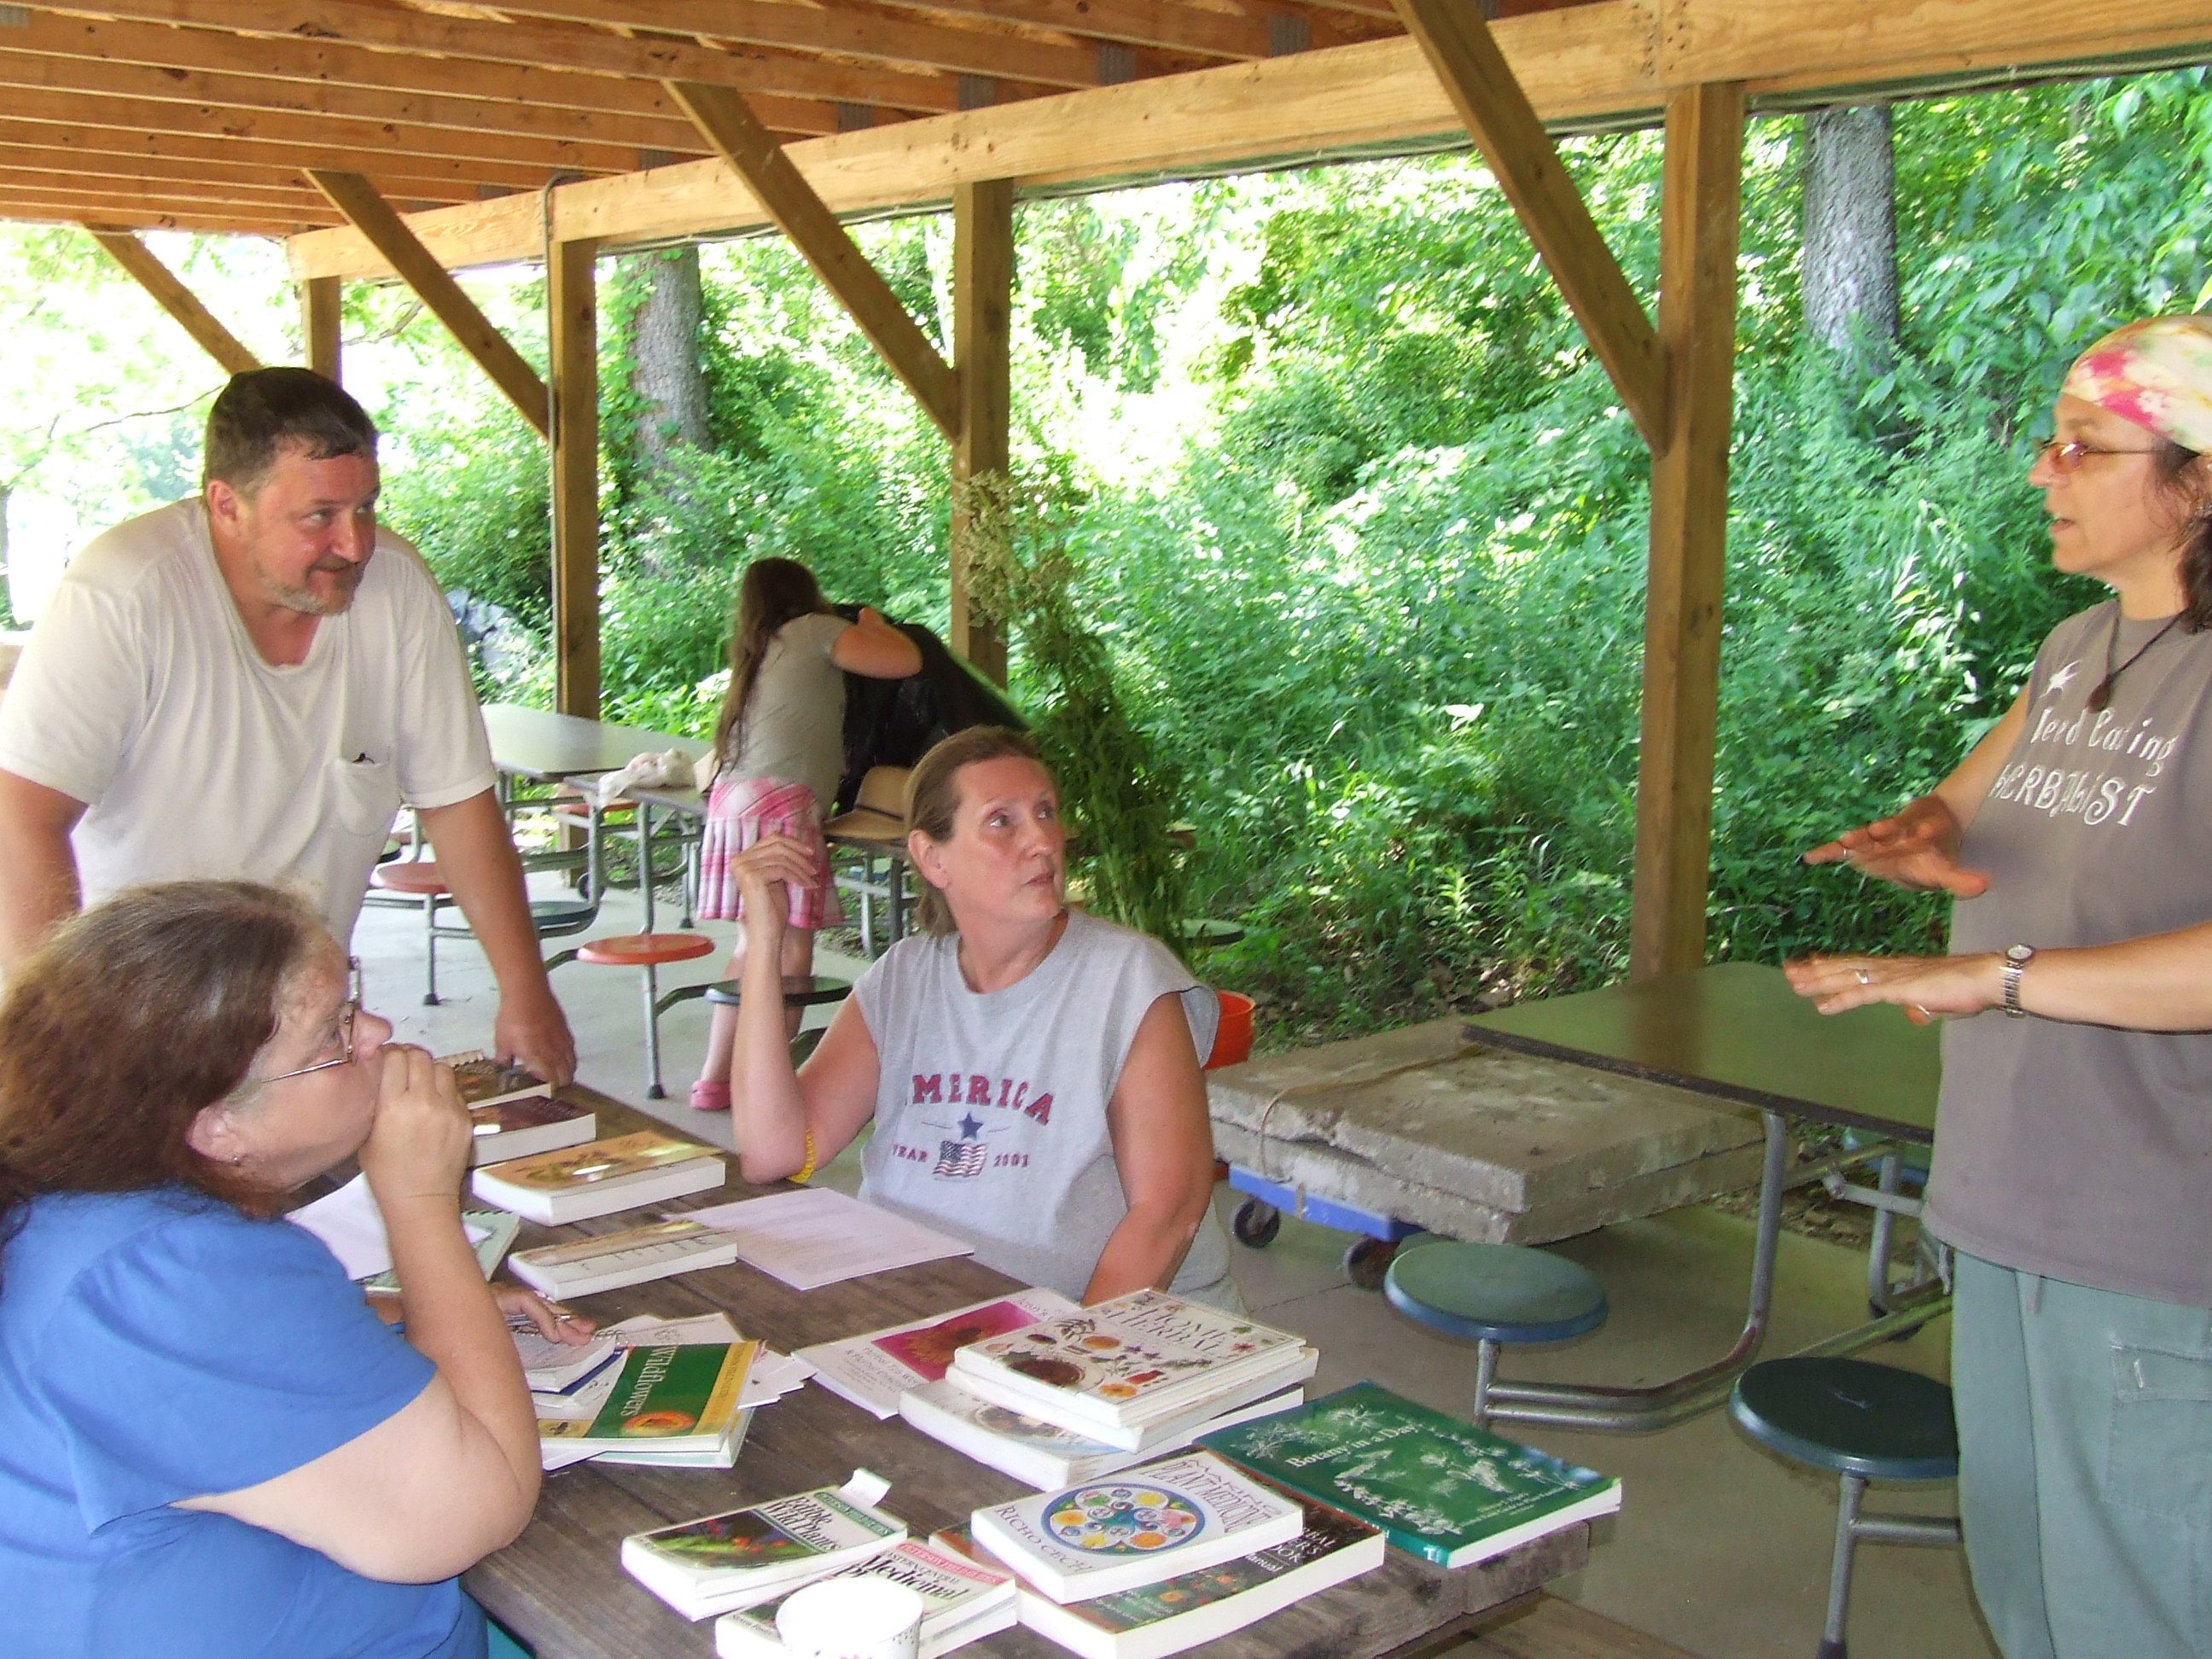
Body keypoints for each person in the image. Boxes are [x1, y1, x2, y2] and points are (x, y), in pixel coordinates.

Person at [1796, 314, 2212, 1659]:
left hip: (2157, 1246)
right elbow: (1968, 820)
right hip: (2010, 1202)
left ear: (2198, 481)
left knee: (2140, 1619)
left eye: (2085, 449)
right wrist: (1920, 837)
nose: (2047, 471)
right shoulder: (2080, 650)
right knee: (2031, 1605)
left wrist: (2000, 977)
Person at [0, 880, 592, 1657]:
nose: (378, 1031)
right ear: (215, 1127)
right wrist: (419, 1199)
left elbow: (190, 1378)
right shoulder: (173, 1270)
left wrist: (421, 1312)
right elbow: (473, 1512)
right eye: (334, 1035)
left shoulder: (67, 1200)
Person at [0, 369, 574, 1084]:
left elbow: (456, 801)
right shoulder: (124, 594)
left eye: (366, 507)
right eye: (320, 516)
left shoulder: (395, 590)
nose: (356, 543)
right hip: (134, 1016)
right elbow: (22, 816)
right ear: (226, 505)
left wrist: (526, 990)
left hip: (304, 1028)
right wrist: (54, 1037)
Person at [723, 725, 1237, 1308]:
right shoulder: (905, 979)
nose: (1043, 839)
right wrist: (764, 943)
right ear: (932, 857)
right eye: (1003, 820)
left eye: (1046, 812)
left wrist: (1057, 1367)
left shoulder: (1130, 981)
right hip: (923, 1308)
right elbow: (775, 1151)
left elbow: (1167, 1217)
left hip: (1095, 1332)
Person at [689, 557, 919, 1111]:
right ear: (807, 593)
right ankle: (766, 1085)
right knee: (791, 945)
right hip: (782, 806)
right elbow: (904, 661)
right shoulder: (816, 631)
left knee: (752, 943)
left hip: (733, 802)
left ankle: (716, 1079)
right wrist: (872, 621)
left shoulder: (759, 647)